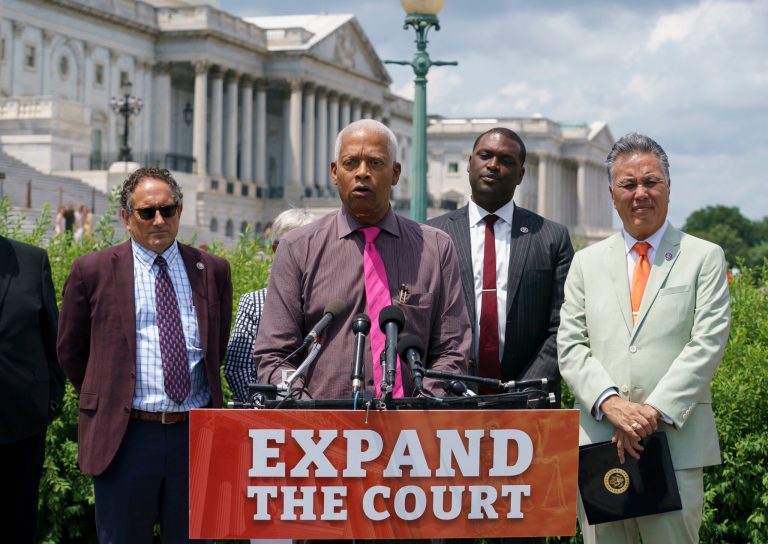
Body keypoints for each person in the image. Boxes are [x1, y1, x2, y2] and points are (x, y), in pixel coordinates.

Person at [557, 133, 730, 543]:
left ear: (669, 187)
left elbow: (707, 343)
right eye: (628, 184)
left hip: (676, 445)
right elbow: (571, 345)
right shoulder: (586, 263)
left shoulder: (703, 257)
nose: (640, 193)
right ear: (612, 193)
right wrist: (611, 403)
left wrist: (648, 413)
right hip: (602, 446)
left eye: (651, 182)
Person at [57, 166, 233, 543]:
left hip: (193, 434)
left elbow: (215, 346)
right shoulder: (93, 271)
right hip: (125, 436)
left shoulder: (212, 271)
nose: (158, 220)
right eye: (146, 212)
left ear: (180, 212)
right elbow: (71, 350)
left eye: (167, 210)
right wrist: (110, 392)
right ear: (125, 217)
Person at [254, 119, 471, 399]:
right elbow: (275, 355)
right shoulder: (297, 248)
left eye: (375, 163)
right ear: (334, 172)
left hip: (413, 431)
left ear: (395, 174)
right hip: (321, 434)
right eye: (350, 163)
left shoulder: (436, 248)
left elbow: (453, 349)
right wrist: (305, 410)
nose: (362, 173)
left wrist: (420, 406)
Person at [428, 128, 573, 403]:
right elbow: (422, 324)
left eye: (506, 160)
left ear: (520, 175)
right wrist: (443, 385)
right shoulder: (431, 235)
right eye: (485, 156)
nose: (493, 165)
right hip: (449, 401)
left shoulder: (552, 237)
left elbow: (563, 326)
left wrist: (525, 391)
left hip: (530, 401)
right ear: (470, 163)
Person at [0, 235, 66, 543]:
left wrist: (48, 402)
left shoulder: (32, 260)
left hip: (23, 427)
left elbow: (55, 341)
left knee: (19, 526)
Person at [224, 207, 316, 402]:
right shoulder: (254, 302)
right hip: (270, 418)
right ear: (275, 249)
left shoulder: (329, 303)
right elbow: (237, 367)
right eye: (294, 246)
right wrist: (264, 407)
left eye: (311, 246)